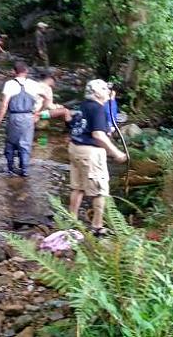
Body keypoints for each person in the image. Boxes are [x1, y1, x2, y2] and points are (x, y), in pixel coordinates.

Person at [66, 80, 127, 235]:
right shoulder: (98, 108)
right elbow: (98, 135)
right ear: (97, 92)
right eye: (105, 89)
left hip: (75, 148)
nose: (108, 91)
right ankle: (97, 227)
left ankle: (70, 222)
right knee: (100, 191)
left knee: (77, 187)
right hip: (90, 153)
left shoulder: (85, 105)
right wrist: (116, 152)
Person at [0, 62, 44, 176]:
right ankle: (24, 170)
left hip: (14, 117)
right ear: (26, 71)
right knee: (26, 144)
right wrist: (37, 113)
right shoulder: (34, 84)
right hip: (29, 117)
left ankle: (10, 168)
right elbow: (44, 99)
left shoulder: (9, 84)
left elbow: (5, 104)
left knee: (11, 143)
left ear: (14, 72)